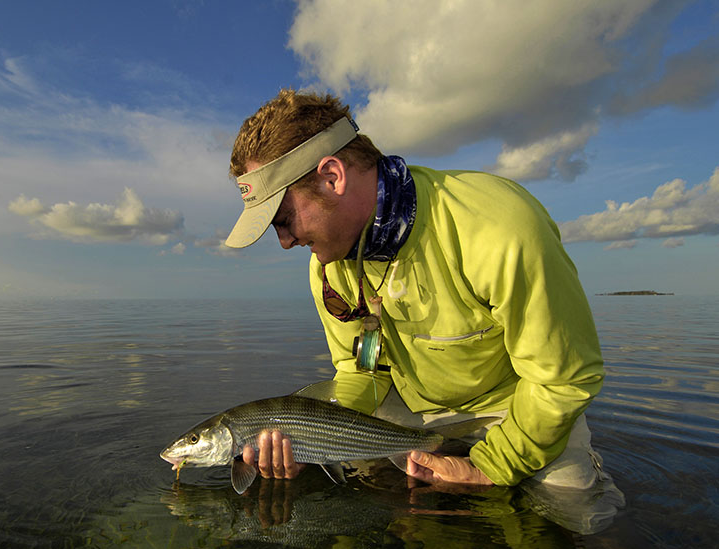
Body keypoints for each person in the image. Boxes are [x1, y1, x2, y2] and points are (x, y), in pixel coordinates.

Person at [224, 89, 613, 492]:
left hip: (518, 407)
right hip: (409, 408)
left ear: (332, 177)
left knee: (577, 512)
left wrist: (491, 466)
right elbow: (362, 370)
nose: (285, 241)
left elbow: (564, 380)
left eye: (283, 219)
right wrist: (314, 438)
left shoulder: (499, 227)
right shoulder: (329, 264)